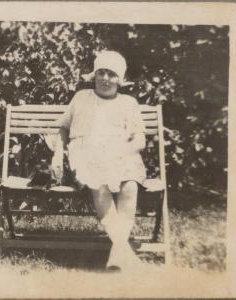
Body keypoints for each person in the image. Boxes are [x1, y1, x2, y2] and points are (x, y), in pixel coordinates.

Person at [59, 50, 147, 271]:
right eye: (102, 73)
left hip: (120, 153)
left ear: (120, 79)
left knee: (130, 186)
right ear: (94, 75)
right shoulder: (81, 98)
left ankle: (117, 253)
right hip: (85, 153)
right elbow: (63, 127)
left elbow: (140, 140)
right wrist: (57, 154)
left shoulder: (129, 102)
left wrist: (120, 152)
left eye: (112, 74)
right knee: (99, 184)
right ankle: (124, 253)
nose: (106, 78)